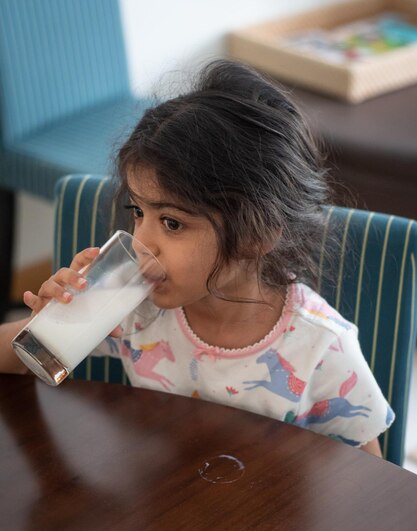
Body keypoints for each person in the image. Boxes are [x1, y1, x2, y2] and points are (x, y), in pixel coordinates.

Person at [0, 59, 393, 456]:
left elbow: (372, 482)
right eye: (138, 212)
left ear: (255, 237)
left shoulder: (322, 348)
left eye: (171, 223)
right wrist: (41, 327)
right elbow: (13, 358)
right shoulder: (130, 306)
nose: (142, 243)